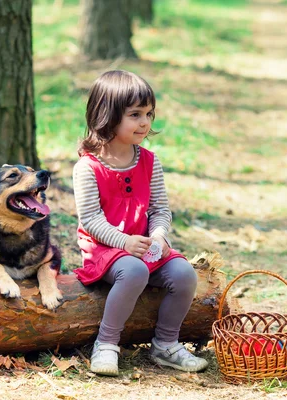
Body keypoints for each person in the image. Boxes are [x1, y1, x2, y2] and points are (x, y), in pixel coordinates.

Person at [72, 70, 208, 377]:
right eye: (135, 114)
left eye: (149, 114)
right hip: (105, 250)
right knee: (133, 271)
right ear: (106, 115)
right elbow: (91, 219)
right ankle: (106, 344)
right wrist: (125, 242)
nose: (145, 122)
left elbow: (160, 209)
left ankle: (166, 344)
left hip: (145, 246)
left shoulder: (149, 161)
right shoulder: (88, 167)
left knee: (184, 273)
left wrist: (158, 236)